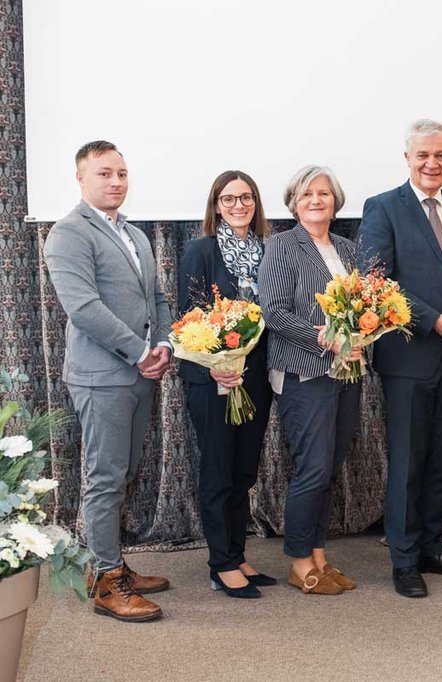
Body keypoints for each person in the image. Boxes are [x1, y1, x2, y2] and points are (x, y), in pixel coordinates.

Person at [357, 119, 442, 598]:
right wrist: (434, 320)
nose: (432, 164)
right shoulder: (383, 208)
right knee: (409, 461)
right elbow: (379, 282)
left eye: (441, 156)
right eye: (423, 156)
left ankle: (433, 546)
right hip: (409, 357)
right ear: (407, 159)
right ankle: (405, 560)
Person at [43, 140, 172, 622]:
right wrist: (140, 353)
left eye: (121, 173)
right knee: (104, 478)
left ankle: (112, 564)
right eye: (104, 174)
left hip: (140, 373)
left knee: (123, 473)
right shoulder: (69, 233)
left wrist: (162, 345)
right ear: (81, 179)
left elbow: (155, 297)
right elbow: (84, 308)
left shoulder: (135, 235)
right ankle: (105, 580)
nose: (115, 181)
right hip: (102, 378)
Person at [258, 165, 363, 596]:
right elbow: (275, 313)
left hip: (346, 374)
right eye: (307, 195)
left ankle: (319, 554)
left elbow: (359, 309)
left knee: (330, 468)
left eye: (323, 193)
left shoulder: (348, 249)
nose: (316, 200)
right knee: (312, 469)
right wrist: (328, 339)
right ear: (294, 204)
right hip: (304, 373)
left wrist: (361, 337)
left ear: (335, 200)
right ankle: (300, 561)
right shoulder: (282, 246)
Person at [178, 171, 274, 599]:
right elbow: (188, 318)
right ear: (216, 205)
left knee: (244, 469)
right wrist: (214, 365)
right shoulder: (202, 250)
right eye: (229, 198)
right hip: (212, 377)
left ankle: (238, 553)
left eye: (247, 197)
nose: (239, 205)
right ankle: (220, 564)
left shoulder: (268, 251)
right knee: (218, 468)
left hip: (255, 376)